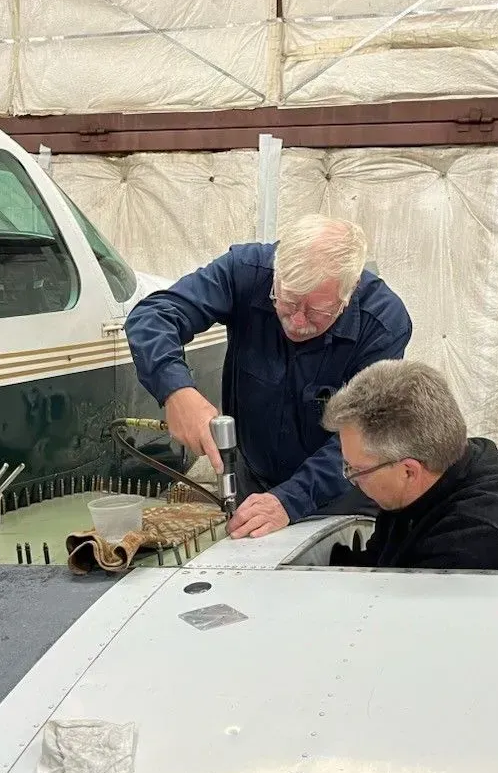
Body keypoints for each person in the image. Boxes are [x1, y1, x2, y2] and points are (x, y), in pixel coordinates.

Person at [125, 214, 412, 539]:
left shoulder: (384, 324)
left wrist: (290, 501)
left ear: (347, 295)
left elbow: (364, 434)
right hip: (254, 484)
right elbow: (152, 316)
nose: (298, 322)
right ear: (275, 274)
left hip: (340, 494)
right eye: (287, 303)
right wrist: (176, 390)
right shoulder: (245, 271)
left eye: (317, 311)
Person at [320, 359, 498, 572]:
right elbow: (379, 560)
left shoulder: (470, 546)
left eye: (356, 470)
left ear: (409, 471)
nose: (351, 479)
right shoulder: (455, 462)